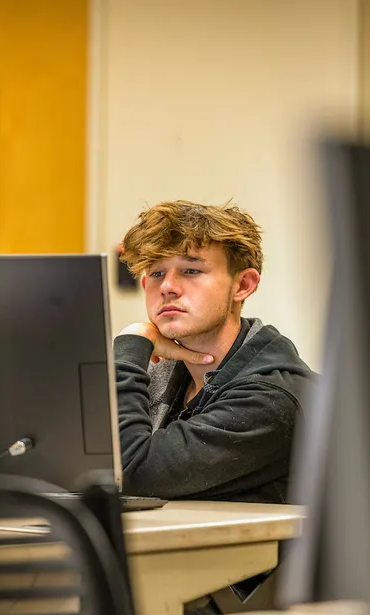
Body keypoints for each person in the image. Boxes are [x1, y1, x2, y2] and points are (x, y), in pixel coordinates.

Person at [113, 199, 314, 504]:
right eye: (156, 274)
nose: (168, 286)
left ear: (243, 285)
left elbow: (131, 473)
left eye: (191, 270)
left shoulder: (271, 398)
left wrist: (131, 345)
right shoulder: (164, 374)